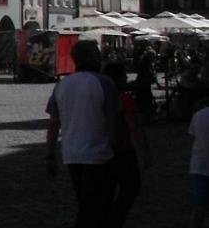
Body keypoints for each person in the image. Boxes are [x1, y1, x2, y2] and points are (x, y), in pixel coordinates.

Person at [46, 39, 119, 228]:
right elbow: (113, 120)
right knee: (97, 207)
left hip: (72, 155)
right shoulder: (104, 83)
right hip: (100, 155)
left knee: (85, 202)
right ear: (94, 57)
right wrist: (116, 148)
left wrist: (50, 155)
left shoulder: (62, 85)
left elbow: (53, 124)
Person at [103, 61, 150, 226]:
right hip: (123, 150)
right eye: (123, 75)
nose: (126, 78)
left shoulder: (100, 97)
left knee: (107, 191)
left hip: (102, 150)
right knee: (131, 188)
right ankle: (114, 220)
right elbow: (133, 126)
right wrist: (145, 151)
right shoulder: (124, 98)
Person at [190, 96, 209, 228]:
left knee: (199, 207)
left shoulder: (199, 115)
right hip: (200, 165)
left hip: (200, 165)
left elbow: (193, 135)